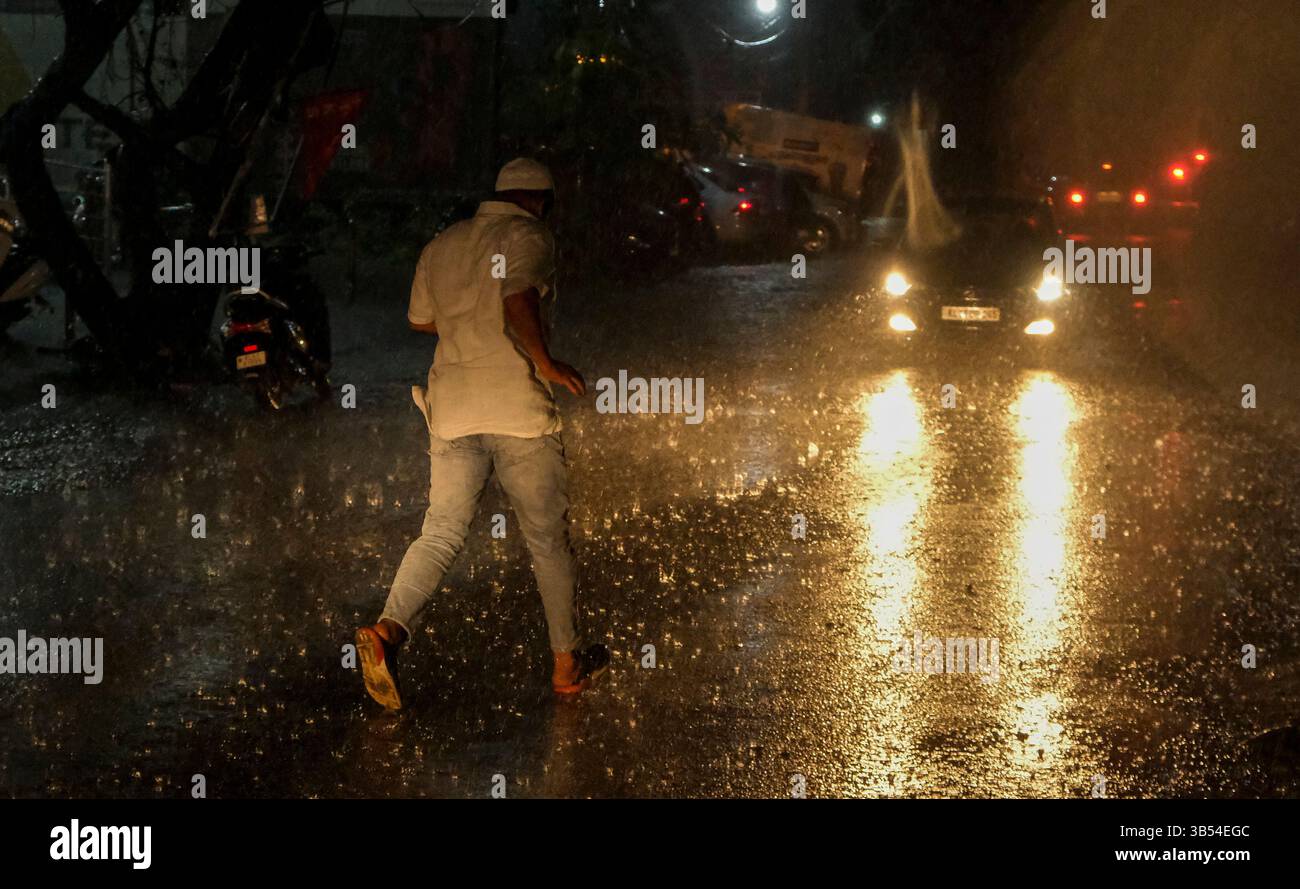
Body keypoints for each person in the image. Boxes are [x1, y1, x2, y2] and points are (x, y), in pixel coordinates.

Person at [356, 158, 608, 710]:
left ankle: (388, 629)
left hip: (451, 411)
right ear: (539, 201)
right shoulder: (529, 234)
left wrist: (464, 312)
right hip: (517, 409)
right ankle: (566, 664)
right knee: (546, 541)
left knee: (441, 532)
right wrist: (544, 362)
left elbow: (420, 320)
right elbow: (518, 296)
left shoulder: (444, 242)